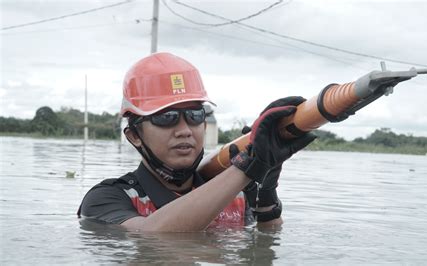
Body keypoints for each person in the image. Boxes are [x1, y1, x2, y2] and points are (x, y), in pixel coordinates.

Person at [77, 53, 316, 232]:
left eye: (195, 116)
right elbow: (151, 236)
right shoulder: (108, 198)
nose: (184, 130)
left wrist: (266, 188)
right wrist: (249, 166)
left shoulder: (238, 193)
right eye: (166, 117)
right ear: (134, 136)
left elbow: (267, 243)